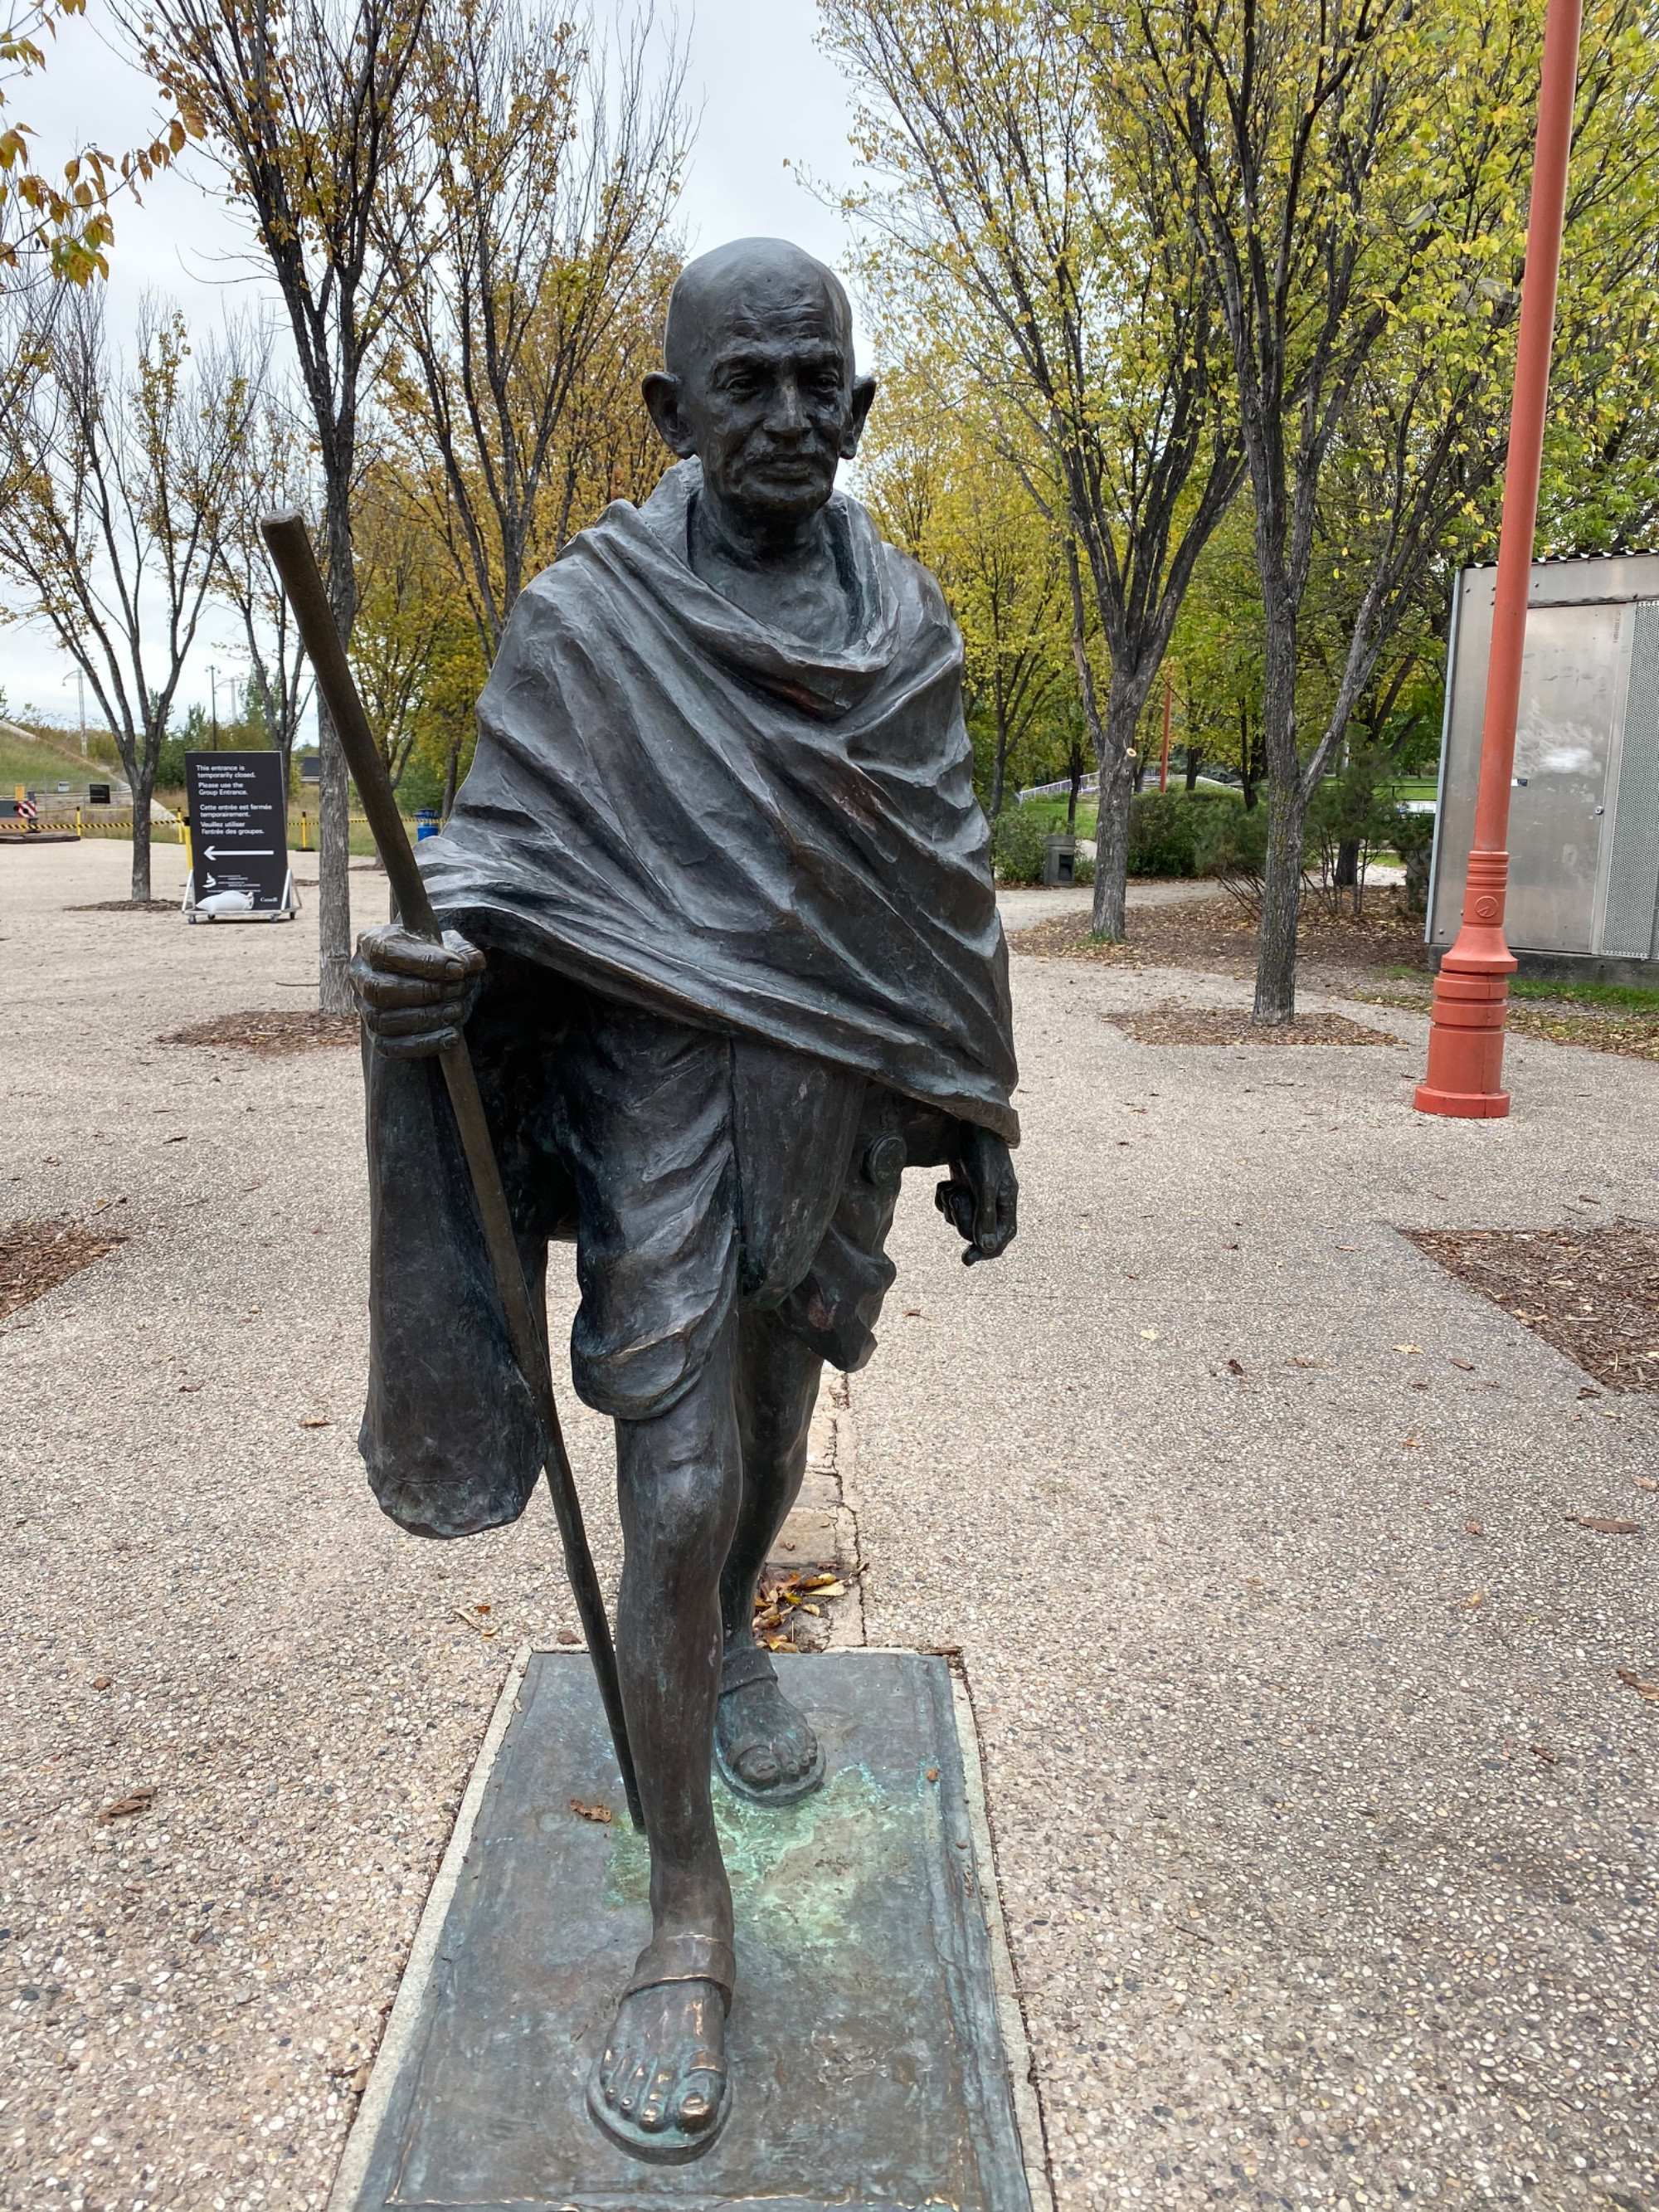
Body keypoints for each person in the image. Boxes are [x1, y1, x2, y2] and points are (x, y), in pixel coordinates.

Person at [348, 236, 1019, 2162]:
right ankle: (683, 1909)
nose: (792, 415)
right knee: (683, 1480)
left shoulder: (907, 631)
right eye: (751, 383)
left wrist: (976, 1105)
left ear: (862, 402)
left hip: (831, 1103)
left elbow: (942, 890)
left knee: (784, 1428)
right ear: (671, 409)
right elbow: (493, 853)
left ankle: (729, 1641)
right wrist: (429, 968)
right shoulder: (589, 620)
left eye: (823, 382)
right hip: (653, 1086)